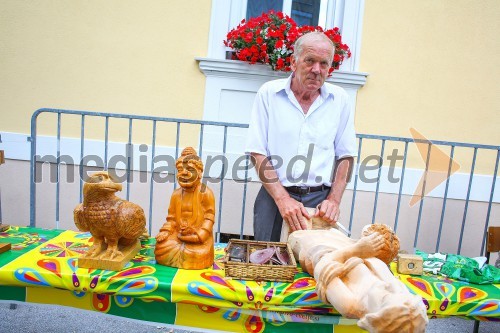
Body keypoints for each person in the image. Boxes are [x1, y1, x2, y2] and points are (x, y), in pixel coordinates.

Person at [245, 31, 357, 241]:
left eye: (324, 63)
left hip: (319, 202)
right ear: (293, 62)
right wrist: (282, 200)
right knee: (267, 264)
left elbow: (346, 156)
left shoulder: (340, 100)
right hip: (274, 198)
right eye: (310, 61)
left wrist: (333, 201)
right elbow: (257, 152)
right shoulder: (268, 93)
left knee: (315, 267)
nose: (316, 70)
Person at [288, 225, 428, 333]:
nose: (389, 286)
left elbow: (322, 268)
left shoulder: (350, 304)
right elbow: (379, 265)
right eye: (399, 292)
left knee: (302, 236)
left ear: (375, 315)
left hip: (324, 250)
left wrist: (357, 250)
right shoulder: (396, 293)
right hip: (352, 248)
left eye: (385, 297)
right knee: (332, 231)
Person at [154, 147, 216, 269]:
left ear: (199, 173)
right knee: (161, 248)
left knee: (195, 254)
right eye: (180, 169)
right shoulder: (176, 194)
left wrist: (201, 235)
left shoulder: (205, 192)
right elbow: (171, 218)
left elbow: (209, 217)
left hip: (198, 237)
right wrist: (166, 231)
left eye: (190, 169)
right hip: (178, 235)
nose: (184, 173)